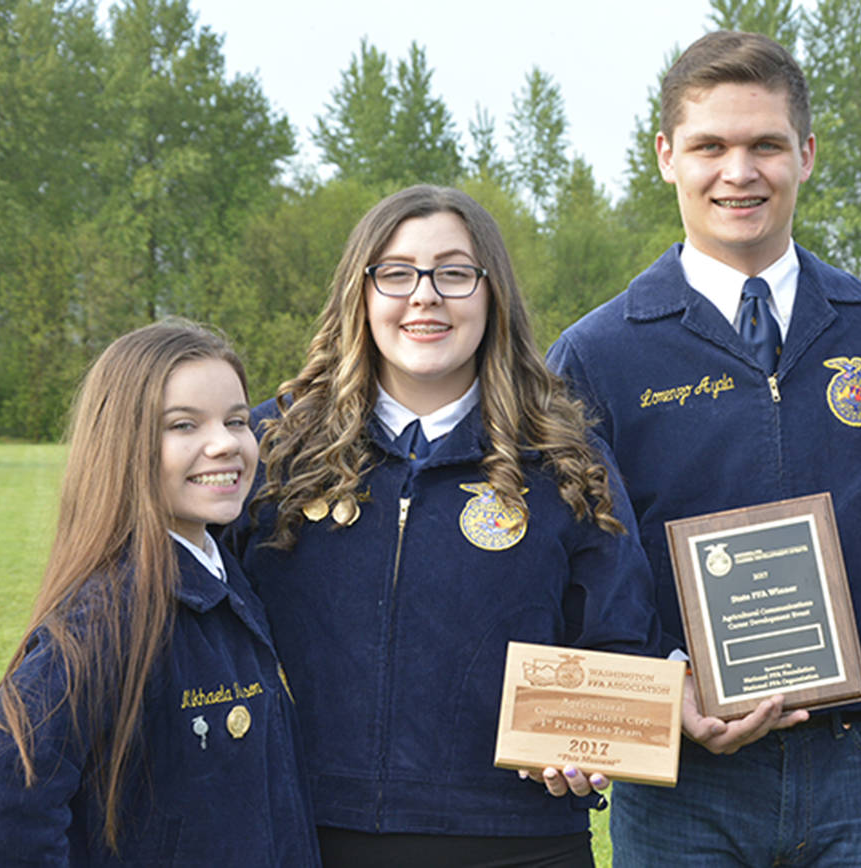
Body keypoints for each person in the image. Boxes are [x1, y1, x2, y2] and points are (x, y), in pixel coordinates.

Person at [547, 30, 861, 867]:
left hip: (860, 759)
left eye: (766, 146)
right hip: (683, 780)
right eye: (711, 146)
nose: (739, 172)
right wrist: (664, 689)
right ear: (666, 156)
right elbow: (572, 561)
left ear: (808, 155)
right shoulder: (596, 354)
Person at [220, 184, 660, 867]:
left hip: (518, 841)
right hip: (304, 833)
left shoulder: (567, 455)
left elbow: (621, 640)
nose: (425, 295)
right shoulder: (269, 447)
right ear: (360, 294)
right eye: (396, 273)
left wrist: (587, 745)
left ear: (492, 294)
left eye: (454, 272)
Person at [0, 320, 319, 865]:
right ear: (122, 443)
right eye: (184, 425)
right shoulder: (107, 614)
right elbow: (2, 787)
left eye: (236, 420)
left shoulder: (231, 583)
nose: (225, 443)